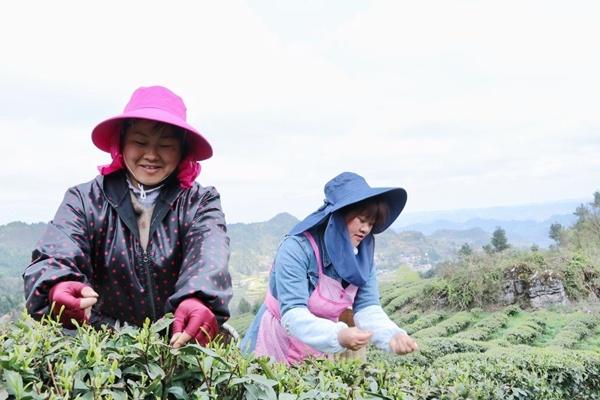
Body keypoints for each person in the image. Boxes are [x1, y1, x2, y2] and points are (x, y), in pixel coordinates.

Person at [23, 86, 232, 348]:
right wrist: (57, 285)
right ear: (121, 142)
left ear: (182, 150)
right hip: (104, 349)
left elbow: (209, 256)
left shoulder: (200, 202)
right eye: (140, 142)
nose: (151, 155)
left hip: (178, 343)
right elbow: (56, 253)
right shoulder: (85, 200)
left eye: (166, 144)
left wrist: (198, 299)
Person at [241, 172, 418, 364]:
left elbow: (368, 308)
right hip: (274, 343)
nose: (366, 229)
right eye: (361, 219)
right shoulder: (296, 249)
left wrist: (392, 336)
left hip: (318, 347)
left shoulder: (363, 257)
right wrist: (339, 336)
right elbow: (293, 315)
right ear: (339, 215)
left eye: (371, 223)